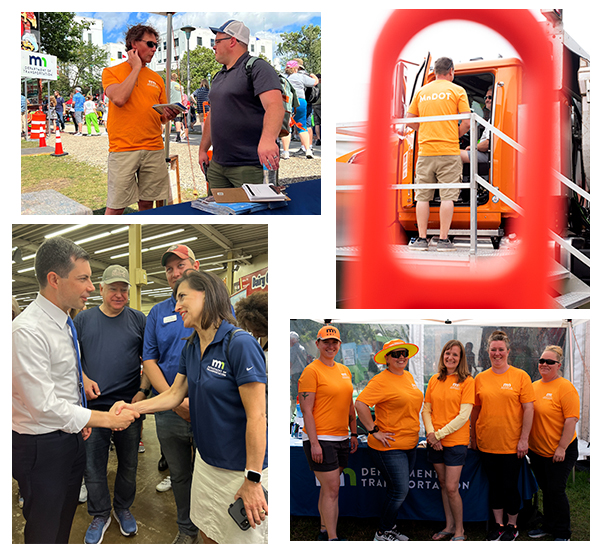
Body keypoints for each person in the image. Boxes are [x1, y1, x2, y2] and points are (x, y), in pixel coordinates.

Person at [117, 269, 268, 543]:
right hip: (206, 464)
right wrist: (133, 409)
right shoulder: (191, 346)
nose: (176, 306)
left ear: (207, 295)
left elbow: (258, 416)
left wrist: (253, 479)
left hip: (239, 469)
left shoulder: (239, 344)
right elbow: (174, 394)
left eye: (183, 296)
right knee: (207, 531)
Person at [12, 236, 139, 544]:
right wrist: (102, 419)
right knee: (45, 526)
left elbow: (67, 378)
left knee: (64, 518)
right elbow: (43, 405)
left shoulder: (65, 321)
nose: (91, 287)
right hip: (41, 446)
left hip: (69, 435)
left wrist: (79, 419)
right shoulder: (27, 331)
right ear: (54, 280)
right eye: (83, 279)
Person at [74, 265, 149, 544]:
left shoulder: (138, 320)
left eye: (124, 289)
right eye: (113, 288)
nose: (119, 294)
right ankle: (100, 513)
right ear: (101, 289)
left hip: (129, 407)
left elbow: (149, 361)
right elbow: (72, 357)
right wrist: (84, 377)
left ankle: (122, 508)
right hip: (94, 410)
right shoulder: (83, 320)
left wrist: (143, 392)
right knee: (93, 466)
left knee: (129, 464)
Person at [141, 244, 200, 544]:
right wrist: (175, 401)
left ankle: (210, 529)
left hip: (206, 409)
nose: (175, 273)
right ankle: (187, 529)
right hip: (169, 410)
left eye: (181, 265)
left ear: (196, 266)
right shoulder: (157, 312)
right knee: (179, 474)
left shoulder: (215, 306)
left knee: (211, 474)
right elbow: (149, 360)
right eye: (169, 268)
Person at [101, 23, 179, 215]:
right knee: (116, 206)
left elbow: (160, 116)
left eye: (156, 46)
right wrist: (136, 67)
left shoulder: (157, 78)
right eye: (150, 44)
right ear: (134, 43)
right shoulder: (111, 72)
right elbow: (119, 98)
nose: (154, 50)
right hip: (123, 148)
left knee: (147, 204)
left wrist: (167, 115)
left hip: (153, 147)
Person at [198, 20, 284, 191]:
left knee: (253, 216)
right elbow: (212, 115)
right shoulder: (218, 76)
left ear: (232, 41)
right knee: (219, 214)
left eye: (216, 41)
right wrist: (203, 149)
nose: (213, 47)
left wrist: (268, 140)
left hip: (250, 166)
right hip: (218, 165)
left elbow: (275, 106)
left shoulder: (257, 67)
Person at [355, 339, 423, 541]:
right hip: (388, 446)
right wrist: (374, 430)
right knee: (400, 490)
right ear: (387, 359)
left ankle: (390, 528)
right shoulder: (380, 380)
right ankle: (382, 532)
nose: (401, 357)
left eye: (403, 353)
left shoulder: (408, 376)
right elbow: (360, 404)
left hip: (409, 443)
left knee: (396, 490)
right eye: (396, 354)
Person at [470, 330, 535, 541]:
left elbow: (528, 409)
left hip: (511, 445)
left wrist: (524, 439)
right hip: (486, 443)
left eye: (501, 350)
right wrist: (473, 437)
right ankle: (498, 525)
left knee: (509, 487)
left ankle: (512, 526)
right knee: (494, 487)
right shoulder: (479, 378)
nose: (497, 353)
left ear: (508, 351)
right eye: (493, 350)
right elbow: (475, 411)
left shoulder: (520, 376)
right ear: (488, 352)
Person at [298, 325, 358, 541]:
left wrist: (353, 433)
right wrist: (314, 443)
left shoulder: (344, 370)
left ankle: (324, 529)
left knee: (328, 488)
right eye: (326, 342)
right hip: (321, 438)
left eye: (334, 342)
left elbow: (349, 403)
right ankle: (332, 538)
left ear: (339, 345)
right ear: (318, 344)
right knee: (332, 488)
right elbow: (306, 410)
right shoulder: (311, 371)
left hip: (342, 437)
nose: (330, 346)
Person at [406, 57, 471, 251]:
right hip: (449, 151)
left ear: (434, 72)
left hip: (425, 152)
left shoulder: (422, 92)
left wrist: (426, 131)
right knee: (447, 197)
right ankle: (443, 240)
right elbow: (467, 122)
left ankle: (421, 240)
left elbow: (409, 120)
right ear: (451, 71)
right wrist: (453, 134)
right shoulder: (457, 90)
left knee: (422, 197)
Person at [422, 340, 474, 541]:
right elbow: (426, 409)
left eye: (455, 355)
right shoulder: (435, 379)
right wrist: (431, 434)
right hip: (435, 441)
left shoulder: (467, 381)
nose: (450, 357)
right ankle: (449, 526)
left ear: (461, 359)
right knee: (443, 484)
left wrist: (438, 435)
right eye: (447, 353)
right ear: (443, 355)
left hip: (455, 442)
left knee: (452, 487)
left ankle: (460, 531)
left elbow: (463, 416)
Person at [527, 345, 580, 541]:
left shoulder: (565, 387)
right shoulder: (533, 386)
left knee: (556, 490)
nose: (545, 364)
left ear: (558, 365)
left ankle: (562, 532)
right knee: (546, 490)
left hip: (561, 450)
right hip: (537, 451)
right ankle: (548, 525)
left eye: (550, 362)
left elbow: (571, 420)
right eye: (542, 361)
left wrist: (562, 447)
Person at [281, 60, 318, 160]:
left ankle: (286, 152)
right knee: (302, 126)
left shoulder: (282, 77)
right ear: (296, 68)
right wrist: (313, 76)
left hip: (287, 101)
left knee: (287, 127)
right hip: (300, 101)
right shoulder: (300, 76)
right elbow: (314, 82)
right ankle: (308, 150)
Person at [460, 86, 493, 167]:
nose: (487, 100)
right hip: (484, 153)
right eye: (486, 97)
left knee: (451, 155)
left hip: (487, 155)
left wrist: (473, 147)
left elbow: (488, 144)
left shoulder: (496, 117)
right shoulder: (491, 117)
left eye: (490, 97)